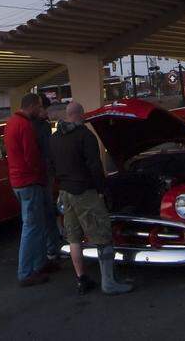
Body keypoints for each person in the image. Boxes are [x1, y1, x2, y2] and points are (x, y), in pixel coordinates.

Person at [49, 101, 132, 295]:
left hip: (65, 193)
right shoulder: (85, 136)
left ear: (67, 115)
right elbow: (95, 166)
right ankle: (109, 282)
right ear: (81, 114)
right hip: (84, 192)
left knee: (74, 238)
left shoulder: (54, 139)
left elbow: (50, 166)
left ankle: (82, 280)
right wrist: (102, 189)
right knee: (102, 235)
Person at [5, 92, 50, 287]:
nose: (41, 110)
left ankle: (39, 264)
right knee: (31, 227)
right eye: (39, 107)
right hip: (29, 181)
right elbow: (32, 157)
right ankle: (25, 272)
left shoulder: (11, 123)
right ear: (31, 106)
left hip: (18, 181)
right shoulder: (25, 126)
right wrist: (43, 174)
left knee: (36, 225)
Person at [32, 96, 64, 269]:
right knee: (49, 213)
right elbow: (48, 151)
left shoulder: (27, 125)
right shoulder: (42, 126)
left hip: (34, 177)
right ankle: (52, 250)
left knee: (39, 217)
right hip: (44, 175)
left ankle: (46, 251)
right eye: (46, 109)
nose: (47, 113)